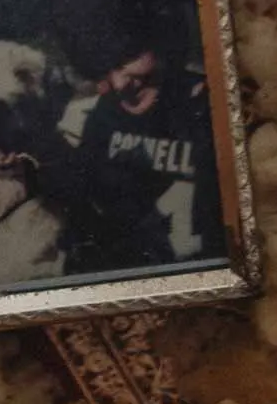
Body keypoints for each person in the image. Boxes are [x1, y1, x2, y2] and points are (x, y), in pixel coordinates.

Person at [56, 22, 227, 277]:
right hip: (130, 262)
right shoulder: (97, 116)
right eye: (126, 72)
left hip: (201, 263)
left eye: (149, 78)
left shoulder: (199, 102)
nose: (137, 84)